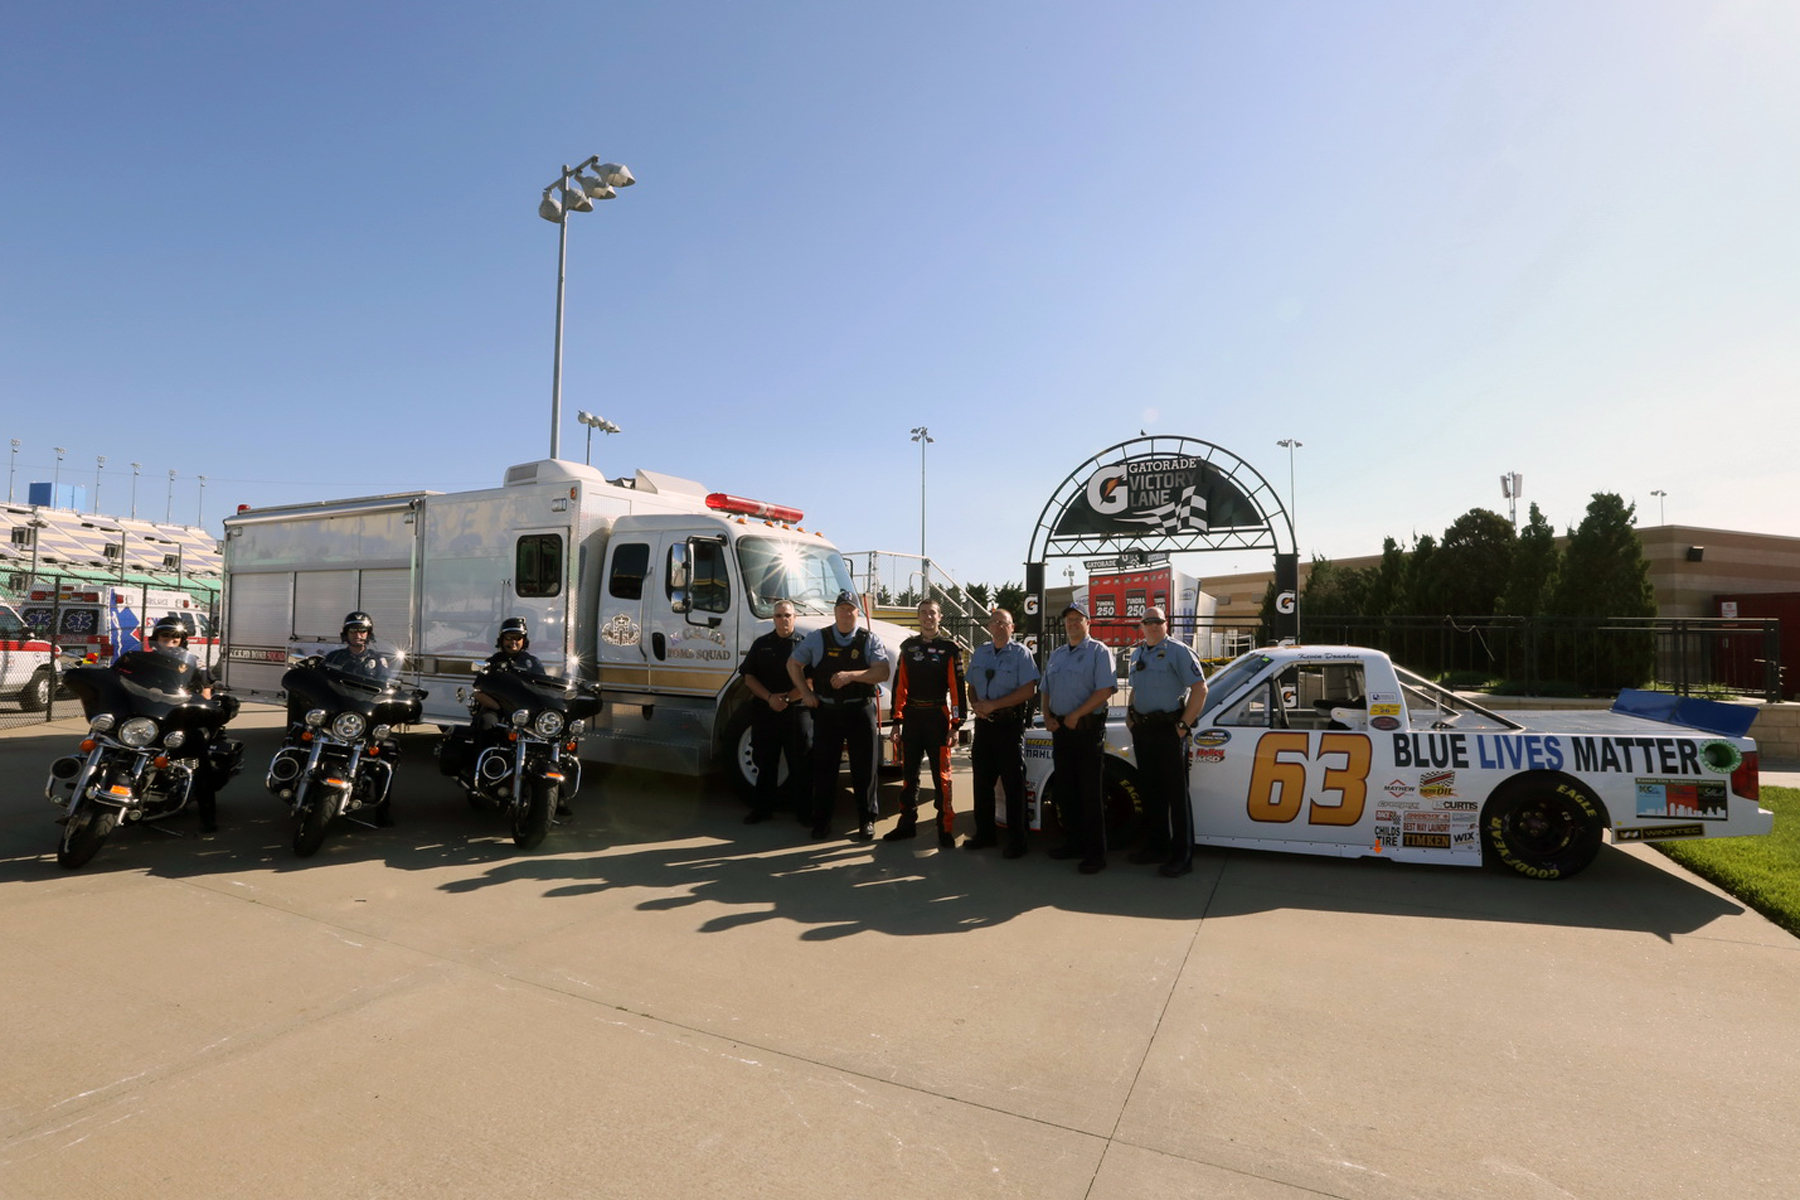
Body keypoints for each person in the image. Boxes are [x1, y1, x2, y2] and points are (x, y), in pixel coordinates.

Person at [788, 589, 891, 842]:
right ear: (835, 612)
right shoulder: (817, 638)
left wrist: (852, 676)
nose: (846, 613)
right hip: (828, 712)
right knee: (824, 769)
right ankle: (821, 822)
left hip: (860, 710)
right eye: (842, 608)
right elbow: (793, 664)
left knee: (864, 769)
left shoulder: (869, 639)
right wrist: (805, 693)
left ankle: (867, 820)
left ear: (858, 612)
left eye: (851, 609)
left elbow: (882, 672)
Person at [1125, 606, 1208, 878]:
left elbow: (1200, 688)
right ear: (1141, 625)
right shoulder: (1138, 652)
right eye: (1147, 621)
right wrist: (1129, 714)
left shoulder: (1178, 651)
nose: (1152, 625)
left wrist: (1183, 726)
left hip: (1169, 732)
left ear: (1165, 623)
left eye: (1157, 621)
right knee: (1151, 793)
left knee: (1176, 796)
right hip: (1144, 731)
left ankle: (1182, 856)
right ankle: (1157, 847)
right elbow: (1136, 687)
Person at [1041, 601, 1116, 874]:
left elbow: (1105, 690)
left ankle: (1096, 854)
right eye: (1069, 620)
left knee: (1091, 794)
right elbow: (1046, 688)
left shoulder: (1099, 651)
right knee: (1066, 791)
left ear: (1088, 623)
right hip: (1061, 731)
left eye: (1077, 619)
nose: (1072, 623)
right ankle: (1072, 843)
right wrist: (1046, 714)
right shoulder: (1058, 654)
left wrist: (1075, 714)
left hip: (1087, 731)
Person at [885, 599, 966, 847]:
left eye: (932, 613)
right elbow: (900, 686)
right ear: (918, 617)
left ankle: (945, 827)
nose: (928, 617)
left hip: (938, 718)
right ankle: (906, 824)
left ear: (940, 617)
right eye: (923, 613)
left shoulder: (950, 649)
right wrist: (897, 721)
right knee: (909, 775)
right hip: (912, 718)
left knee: (942, 777)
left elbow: (957, 690)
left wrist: (955, 724)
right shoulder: (907, 648)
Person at [965, 607, 1039, 857]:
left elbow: (1029, 691)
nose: (998, 626)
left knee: (1013, 785)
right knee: (982, 783)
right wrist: (977, 705)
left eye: (1003, 623)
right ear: (989, 626)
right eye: (994, 622)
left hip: (1009, 727)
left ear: (1012, 627)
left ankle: (1018, 840)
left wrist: (994, 705)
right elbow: (971, 686)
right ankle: (985, 835)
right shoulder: (981, 652)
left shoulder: (1021, 654)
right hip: (984, 725)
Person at [145, 614, 224, 833]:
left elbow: (206, 689)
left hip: (179, 718)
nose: (169, 642)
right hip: (149, 716)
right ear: (156, 638)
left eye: (175, 638)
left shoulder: (192, 662)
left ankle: (207, 816)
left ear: (182, 641)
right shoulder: (144, 659)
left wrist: (204, 704)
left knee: (198, 760)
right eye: (165, 637)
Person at [737, 600, 812, 825]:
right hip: (766, 711)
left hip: (796, 712)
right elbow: (749, 676)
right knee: (765, 762)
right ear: (773, 619)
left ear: (795, 618)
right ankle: (762, 810)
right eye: (779, 616)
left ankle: (805, 813)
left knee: (801, 764)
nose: (783, 620)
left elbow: (811, 680)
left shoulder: (805, 646)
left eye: (787, 615)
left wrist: (787, 699)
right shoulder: (761, 644)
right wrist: (770, 698)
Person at [322, 611, 394, 681]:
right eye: (353, 630)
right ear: (346, 634)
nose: (357, 635)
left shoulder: (378, 660)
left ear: (368, 634)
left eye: (362, 630)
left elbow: (385, 683)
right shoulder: (333, 657)